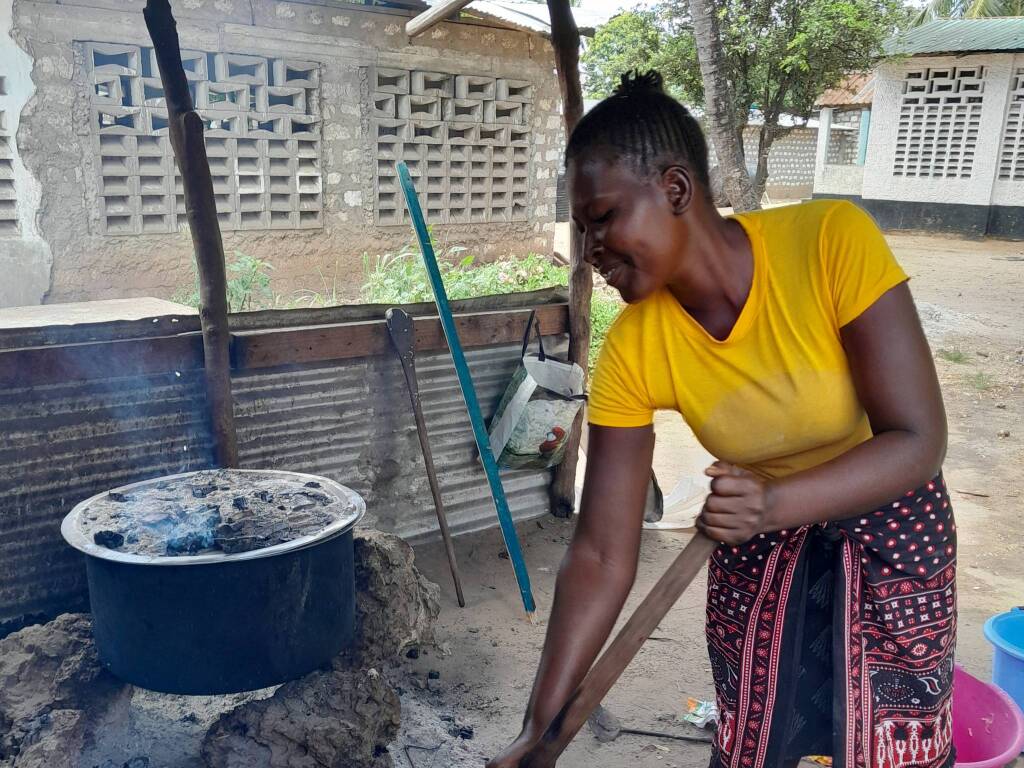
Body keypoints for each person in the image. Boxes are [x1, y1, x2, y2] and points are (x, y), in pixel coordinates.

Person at [487, 71, 957, 768]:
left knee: (890, 746)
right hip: (756, 542)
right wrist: (540, 728)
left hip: (890, 523)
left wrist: (775, 501)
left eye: (604, 218)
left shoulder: (829, 239)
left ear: (675, 190)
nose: (590, 251)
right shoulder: (635, 346)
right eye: (582, 230)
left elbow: (919, 440)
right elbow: (600, 554)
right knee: (755, 746)